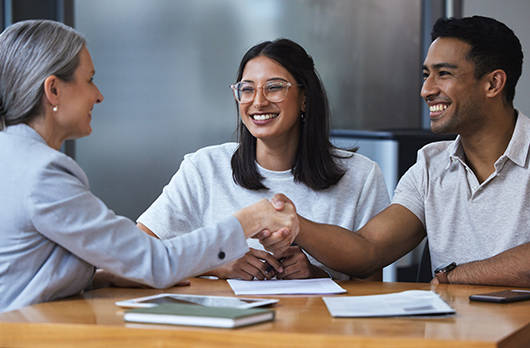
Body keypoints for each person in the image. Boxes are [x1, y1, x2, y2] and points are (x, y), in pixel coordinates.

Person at [0, 20, 298, 313]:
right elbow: (157, 263)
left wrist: (103, 276)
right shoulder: (44, 174)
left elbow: (29, 269)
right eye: (90, 79)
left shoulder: (12, 156)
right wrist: (248, 220)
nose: (99, 95)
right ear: (53, 90)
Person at [265, 15, 530, 287]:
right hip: (456, 329)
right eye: (427, 75)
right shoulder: (431, 166)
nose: (426, 90)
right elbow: (368, 249)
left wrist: (455, 276)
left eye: (444, 73)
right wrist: (295, 224)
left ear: (493, 84)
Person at [137, 38, 390, 280]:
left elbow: (370, 284)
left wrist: (314, 274)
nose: (258, 102)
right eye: (247, 89)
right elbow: (141, 250)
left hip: (314, 324)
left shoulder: (361, 175)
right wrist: (215, 262)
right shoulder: (204, 168)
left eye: (274, 87)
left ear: (305, 98)